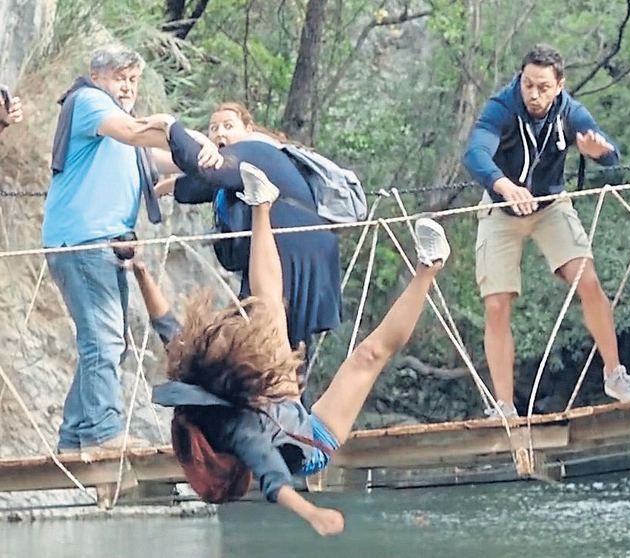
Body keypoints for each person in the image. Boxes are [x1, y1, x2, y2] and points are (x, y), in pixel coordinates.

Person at [133, 162, 451, 535]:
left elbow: (168, 329)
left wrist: (139, 270)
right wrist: (311, 513)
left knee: (267, 309)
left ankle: (261, 205)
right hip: (310, 442)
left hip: (273, 402)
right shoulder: (238, 432)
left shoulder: (197, 387)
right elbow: (273, 478)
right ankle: (430, 266)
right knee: (369, 355)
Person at [42, 44, 223, 455]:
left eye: (132, 80)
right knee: (103, 341)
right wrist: (183, 131)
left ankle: (74, 437)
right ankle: (104, 434)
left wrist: (216, 156)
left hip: (103, 245)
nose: (127, 87)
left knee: (107, 342)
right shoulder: (89, 101)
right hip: (83, 242)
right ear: (98, 76)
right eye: (120, 78)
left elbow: (161, 157)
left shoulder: (121, 132)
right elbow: (138, 132)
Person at [462, 44, 630, 418]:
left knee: (588, 279)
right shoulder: (502, 106)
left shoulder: (569, 111)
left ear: (560, 85)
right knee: (496, 304)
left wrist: (600, 152)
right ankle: (503, 406)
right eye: (529, 84)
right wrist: (503, 185)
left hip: (551, 206)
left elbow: (611, 154)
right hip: (501, 208)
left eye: (543, 87)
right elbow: (475, 152)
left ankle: (615, 375)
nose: (534, 94)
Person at [150, 103, 342, 390]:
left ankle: (278, 408)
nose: (219, 133)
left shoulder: (256, 151)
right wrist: (159, 190)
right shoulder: (236, 170)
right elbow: (194, 188)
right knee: (276, 336)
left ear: (248, 130)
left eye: (229, 125)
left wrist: (170, 126)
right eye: (213, 129)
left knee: (265, 331)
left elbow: (206, 170)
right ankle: (286, 407)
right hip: (298, 248)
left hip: (291, 245)